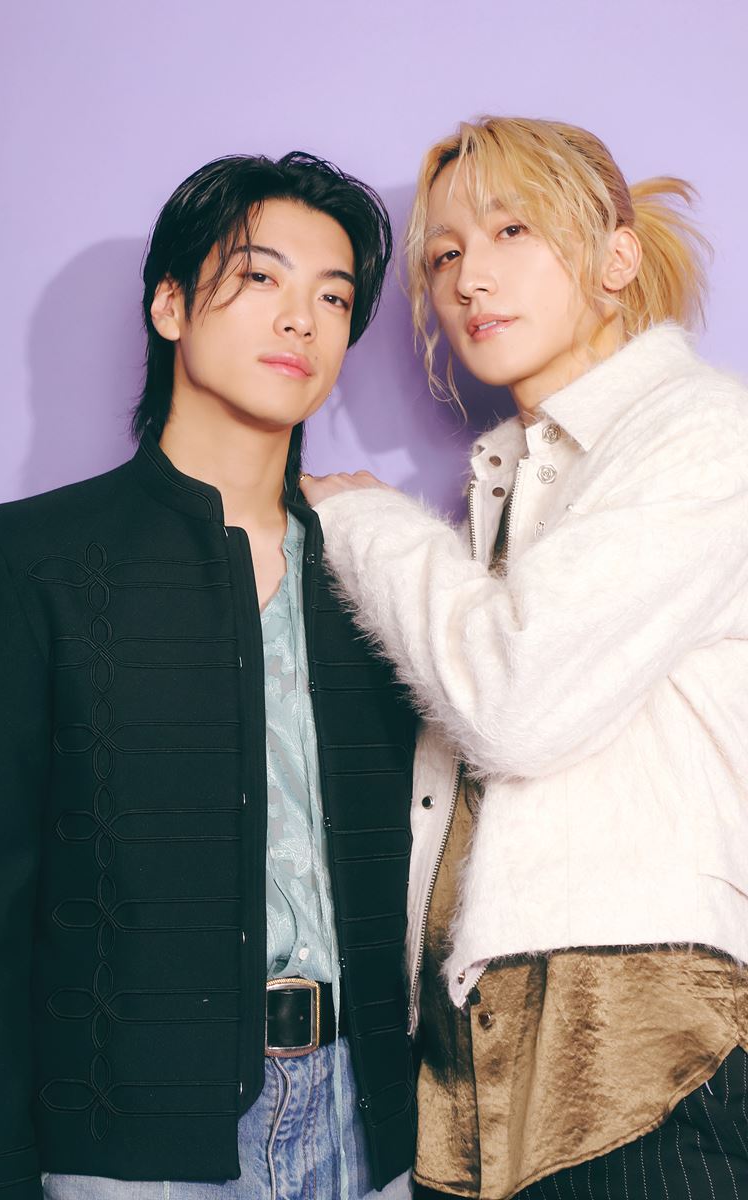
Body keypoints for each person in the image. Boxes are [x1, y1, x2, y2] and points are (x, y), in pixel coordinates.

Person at [0, 151, 417, 1200]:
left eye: (333, 297)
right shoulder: (27, 560)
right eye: (259, 278)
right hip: (134, 1147)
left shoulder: (380, 566)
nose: (300, 319)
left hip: (369, 1128)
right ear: (170, 305)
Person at [300, 116, 748, 1199]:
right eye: (444, 254)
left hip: (639, 1038)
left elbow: (516, 698)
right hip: (471, 1057)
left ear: (616, 257)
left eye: (512, 231)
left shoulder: (703, 432)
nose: (469, 279)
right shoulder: (514, 481)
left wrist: (365, 521)